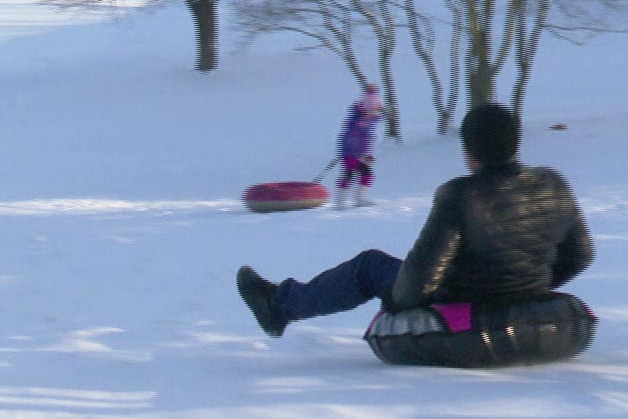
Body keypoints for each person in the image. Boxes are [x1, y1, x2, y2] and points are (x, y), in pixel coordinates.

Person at [237, 102, 593, 336]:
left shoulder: (460, 195)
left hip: (463, 302)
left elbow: (416, 284)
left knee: (370, 266)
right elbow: (581, 255)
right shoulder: (553, 183)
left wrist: (395, 305)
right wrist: (534, 284)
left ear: (469, 151)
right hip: (526, 297)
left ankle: (279, 307)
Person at [334, 85, 384, 209]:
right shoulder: (357, 122)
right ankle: (342, 201)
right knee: (353, 174)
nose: (372, 113)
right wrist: (358, 155)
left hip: (359, 154)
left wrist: (367, 153)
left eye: (375, 110)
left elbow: (367, 139)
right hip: (351, 153)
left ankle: (357, 199)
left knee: (361, 174)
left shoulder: (369, 122)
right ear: (364, 110)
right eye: (370, 111)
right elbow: (351, 139)